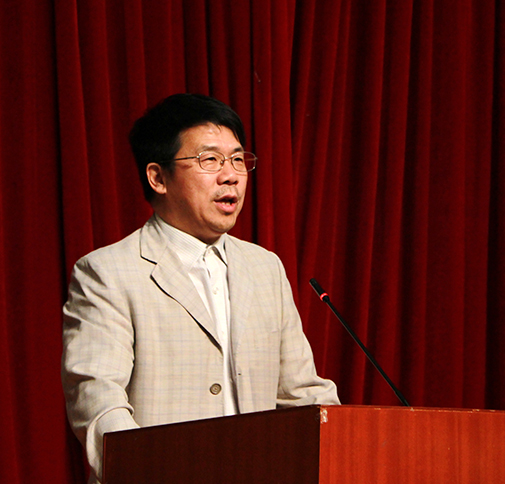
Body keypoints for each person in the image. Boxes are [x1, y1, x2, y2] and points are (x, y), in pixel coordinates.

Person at [61, 93, 339, 484]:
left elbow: (302, 393)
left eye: (238, 160)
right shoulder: (107, 272)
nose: (230, 176)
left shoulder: (265, 268)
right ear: (158, 178)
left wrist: (348, 447)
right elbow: (98, 400)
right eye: (209, 160)